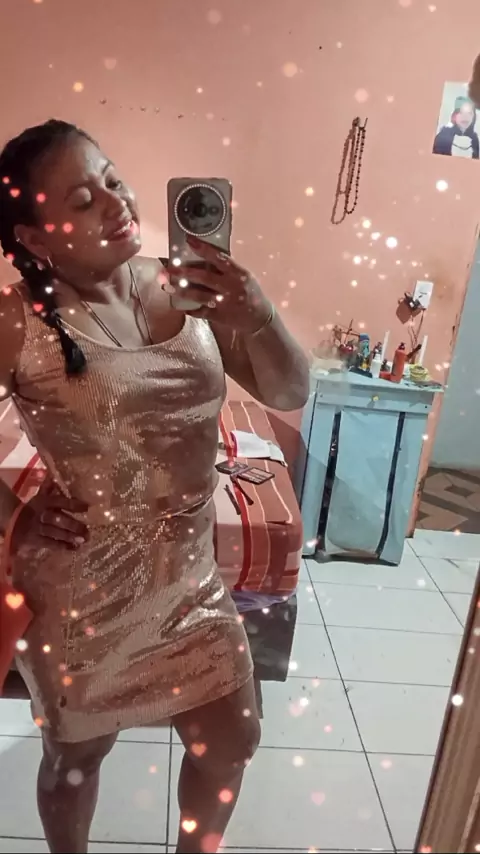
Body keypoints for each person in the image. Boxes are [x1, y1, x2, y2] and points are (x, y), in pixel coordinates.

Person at [0, 119, 309, 854]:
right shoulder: (16, 319)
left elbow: (290, 388)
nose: (116, 204)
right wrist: (12, 511)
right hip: (79, 594)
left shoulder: (187, 288)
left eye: (112, 180)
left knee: (232, 740)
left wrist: (258, 314)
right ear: (35, 237)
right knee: (76, 758)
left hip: (190, 579)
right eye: (82, 200)